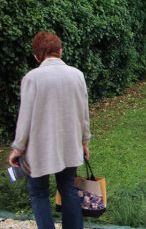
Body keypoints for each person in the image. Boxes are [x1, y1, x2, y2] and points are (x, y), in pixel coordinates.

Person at [8, 31, 91, 229]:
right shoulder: (77, 75)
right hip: (70, 144)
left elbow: (25, 117)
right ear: (60, 51)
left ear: (37, 55)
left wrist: (18, 149)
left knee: (38, 193)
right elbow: (84, 112)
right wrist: (84, 141)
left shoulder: (32, 78)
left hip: (40, 149)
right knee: (69, 190)